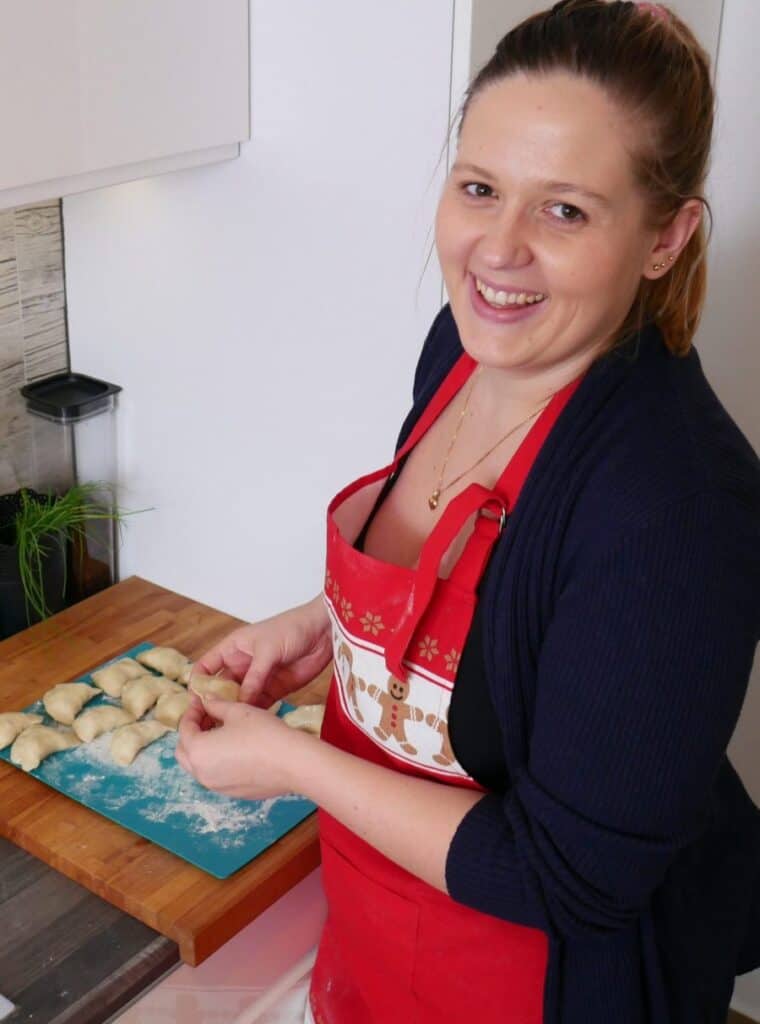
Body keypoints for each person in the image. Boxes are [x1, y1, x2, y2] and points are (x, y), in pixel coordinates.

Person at [175, 1, 760, 1021]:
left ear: (664, 237)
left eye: (565, 210)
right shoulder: (460, 348)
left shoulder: (677, 511)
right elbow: (476, 597)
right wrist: (328, 627)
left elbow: (571, 877)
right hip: (371, 933)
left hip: (534, 983)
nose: (497, 249)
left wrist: (293, 763)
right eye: (480, 187)